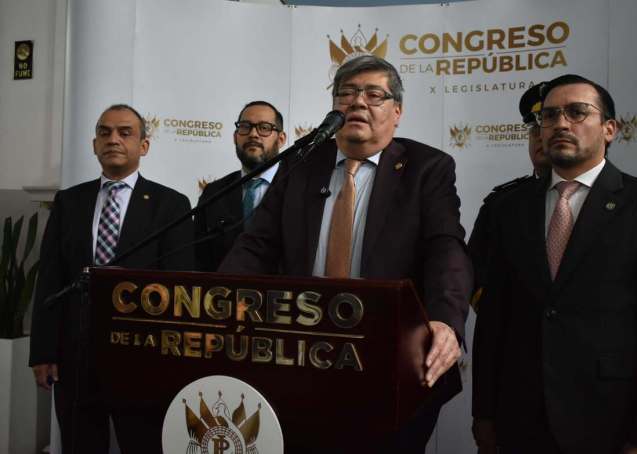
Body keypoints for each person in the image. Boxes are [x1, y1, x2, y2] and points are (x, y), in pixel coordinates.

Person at [219, 55, 472, 453]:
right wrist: (221, 302)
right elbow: (257, 245)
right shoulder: (299, 165)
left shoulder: (427, 167)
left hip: (392, 361)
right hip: (304, 359)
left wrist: (445, 321)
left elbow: (446, 248)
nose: (358, 103)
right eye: (347, 94)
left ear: (397, 112)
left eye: (374, 94)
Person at [472, 74, 637, 454]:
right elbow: (493, 321)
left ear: (609, 129)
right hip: (519, 421)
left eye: (577, 112)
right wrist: (485, 415)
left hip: (613, 423)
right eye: (550, 116)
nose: (560, 123)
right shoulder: (508, 208)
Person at [29, 104, 195, 453]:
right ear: (94, 144)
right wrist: (43, 351)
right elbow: (50, 279)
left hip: (142, 358)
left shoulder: (171, 205)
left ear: (144, 146)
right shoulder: (69, 201)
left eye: (125, 132)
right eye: (104, 133)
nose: (113, 139)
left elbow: (180, 287)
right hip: (75, 357)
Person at [468, 82, 551, 309]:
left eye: (547, 128)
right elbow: (474, 270)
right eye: (534, 130)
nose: (539, 138)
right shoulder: (500, 203)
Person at [194, 100, 286, 271]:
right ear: (235, 137)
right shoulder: (214, 193)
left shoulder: (297, 189)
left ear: (281, 139)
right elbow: (200, 260)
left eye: (264, 128)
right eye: (245, 127)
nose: (253, 134)